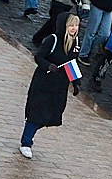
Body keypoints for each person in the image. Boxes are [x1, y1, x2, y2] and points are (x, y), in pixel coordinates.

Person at [19, 14, 81, 159]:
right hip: (44, 83)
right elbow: (39, 56)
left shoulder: (75, 41)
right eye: (71, 25)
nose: (74, 28)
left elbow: (72, 63)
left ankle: (30, 133)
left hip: (60, 86)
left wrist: (76, 82)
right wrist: (48, 65)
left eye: (76, 25)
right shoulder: (52, 39)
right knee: (37, 113)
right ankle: (26, 142)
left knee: (52, 114)